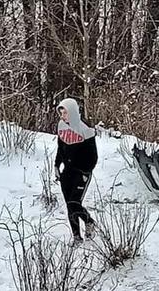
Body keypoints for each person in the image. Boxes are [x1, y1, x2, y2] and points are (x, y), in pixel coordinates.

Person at [55, 98, 98, 244]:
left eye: (65, 113)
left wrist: (85, 171)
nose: (63, 116)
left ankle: (89, 221)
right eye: (61, 113)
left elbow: (93, 156)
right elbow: (61, 149)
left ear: (72, 112)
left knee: (74, 203)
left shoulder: (85, 130)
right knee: (69, 205)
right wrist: (56, 166)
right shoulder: (61, 127)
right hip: (67, 172)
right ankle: (77, 237)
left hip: (81, 172)